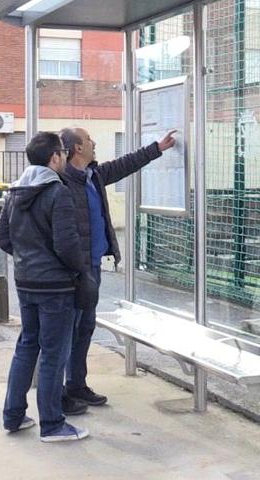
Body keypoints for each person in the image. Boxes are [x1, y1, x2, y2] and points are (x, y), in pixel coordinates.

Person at [58, 126, 176, 411]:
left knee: (85, 327)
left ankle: (77, 386)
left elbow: (123, 165)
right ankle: (60, 395)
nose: (94, 142)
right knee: (66, 331)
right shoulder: (60, 182)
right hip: (73, 269)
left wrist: (156, 149)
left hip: (94, 265)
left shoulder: (93, 175)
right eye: (89, 139)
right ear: (77, 148)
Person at [0, 131, 89, 442]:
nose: (64, 157)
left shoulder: (16, 192)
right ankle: (52, 424)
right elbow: (67, 244)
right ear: (54, 158)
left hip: (26, 283)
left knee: (27, 346)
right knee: (53, 354)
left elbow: (4, 239)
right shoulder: (57, 191)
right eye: (62, 153)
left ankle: (13, 416)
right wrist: (79, 270)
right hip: (56, 288)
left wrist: (29, 260)